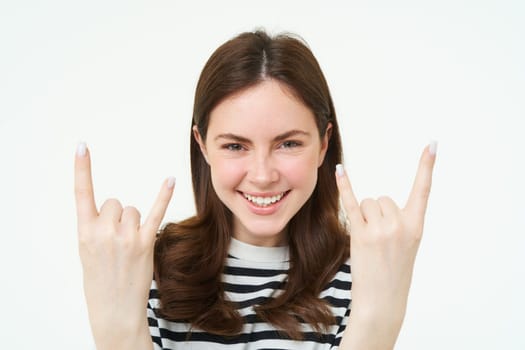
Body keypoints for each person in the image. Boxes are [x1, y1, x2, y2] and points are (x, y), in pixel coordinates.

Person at [74, 30, 437, 350]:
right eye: (235, 146)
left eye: (288, 144)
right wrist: (116, 333)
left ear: (324, 144)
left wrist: (378, 319)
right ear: (202, 145)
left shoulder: (367, 274)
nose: (262, 176)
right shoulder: (141, 269)